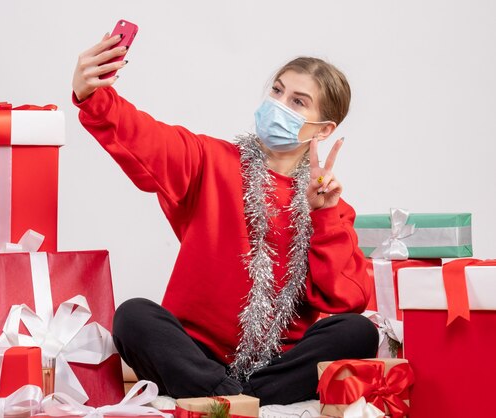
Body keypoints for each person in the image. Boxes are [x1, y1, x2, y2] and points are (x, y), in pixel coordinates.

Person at [72, 32, 379, 405]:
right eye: (278, 92)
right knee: (132, 317)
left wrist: (324, 215)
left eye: (298, 102)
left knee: (359, 331)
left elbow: (348, 299)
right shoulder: (210, 159)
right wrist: (95, 96)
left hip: (277, 363)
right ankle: (238, 399)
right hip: (195, 355)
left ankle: (231, 400)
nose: (279, 104)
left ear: (325, 129)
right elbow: (148, 139)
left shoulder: (330, 205)